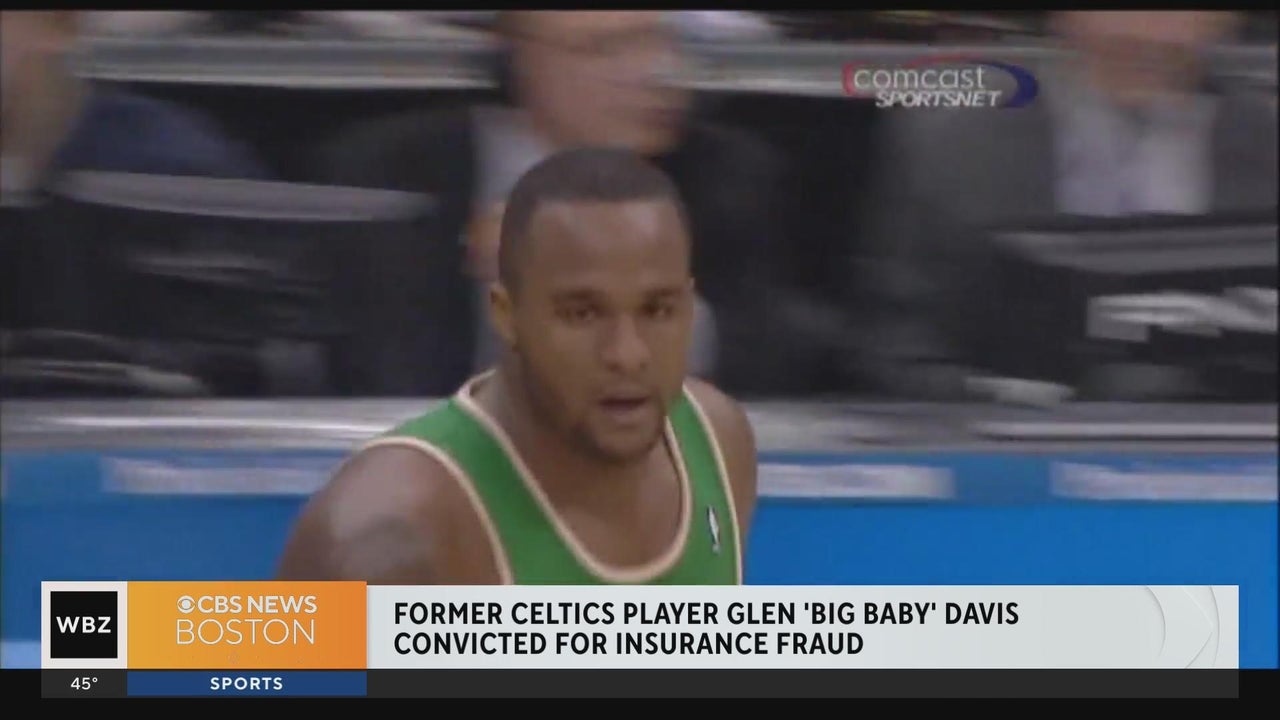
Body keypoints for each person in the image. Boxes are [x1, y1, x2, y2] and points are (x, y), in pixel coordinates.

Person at [277, 148, 758, 585]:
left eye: (657, 310)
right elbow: (254, 653)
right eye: (583, 314)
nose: (628, 354)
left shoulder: (719, 442)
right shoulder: (388, 532)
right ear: (507, 316)